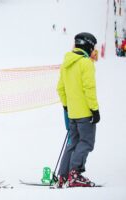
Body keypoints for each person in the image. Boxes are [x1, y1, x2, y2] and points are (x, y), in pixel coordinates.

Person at [56, 32, 100, 188]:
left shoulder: (66, 63)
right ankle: (75, 173)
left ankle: (63, 176)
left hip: (73, 113)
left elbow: (60, 88)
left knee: (73, 143)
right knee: (86, 142)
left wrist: (67, 106)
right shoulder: (85, 63)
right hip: (85, 112)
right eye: (92, 46)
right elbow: (89, 88)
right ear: (87, 45)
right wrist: (94, 110)